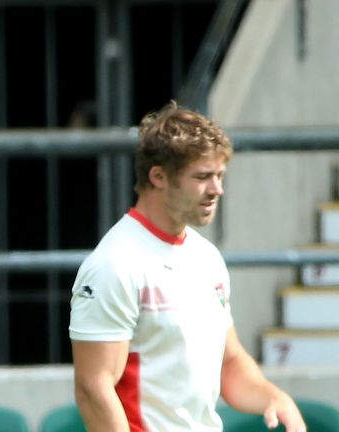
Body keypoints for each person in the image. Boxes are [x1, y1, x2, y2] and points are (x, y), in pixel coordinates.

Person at [69, 101, 306, 431]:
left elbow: (230, 362)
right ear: (158, 176)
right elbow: (93, 388)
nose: (217, 189)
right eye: (202, 177)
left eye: (220, 176)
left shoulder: (206, 257)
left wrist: (274, 397)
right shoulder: (115, 264)